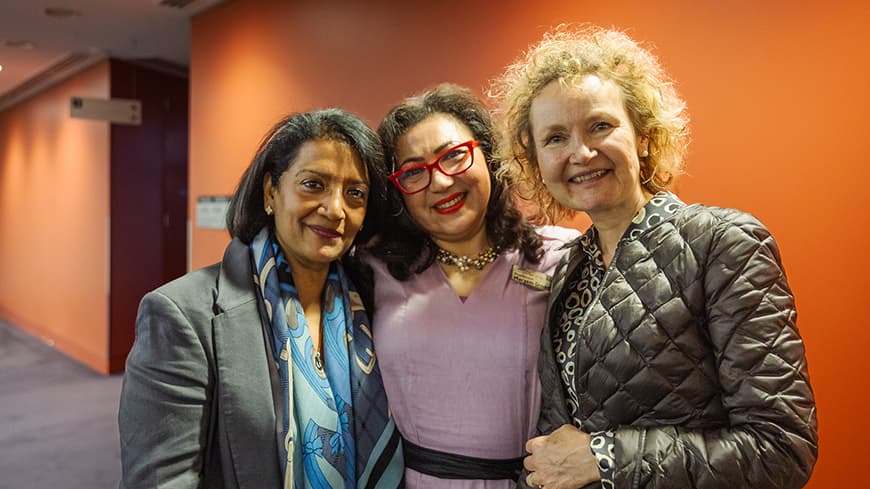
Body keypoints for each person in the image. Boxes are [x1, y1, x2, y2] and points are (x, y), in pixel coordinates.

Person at [492, 26, 818, 489]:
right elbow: (561, 438)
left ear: (643, 136)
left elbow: (781, 447)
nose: (580, 153)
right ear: (537, 164)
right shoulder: (568, 268)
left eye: (600, 126)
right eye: (555, 138)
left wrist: (604, 458)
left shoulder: (723, 243)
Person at [118, 109, 404, 489]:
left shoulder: (373, 303)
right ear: (271, 191)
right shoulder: (183, 314)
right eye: (313, 184)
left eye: (355, 194)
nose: (335, 209)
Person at [362, 84, 579, 489]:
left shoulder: (559, 258)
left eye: (454, 155)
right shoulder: (373, 269)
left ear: (487, 156)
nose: (441, 182)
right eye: (413, 171)